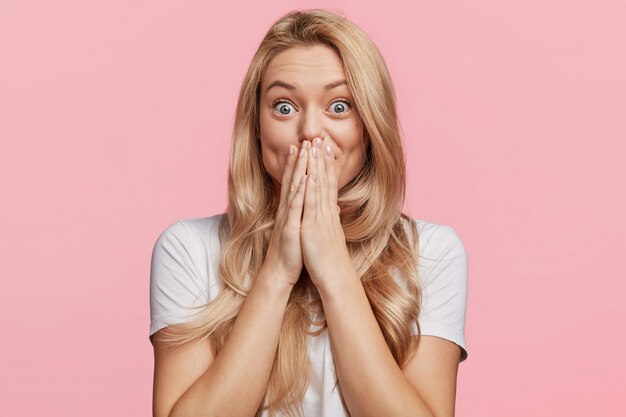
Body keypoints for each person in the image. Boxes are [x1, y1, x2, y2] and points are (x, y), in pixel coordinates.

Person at [149, 8, 468, 417]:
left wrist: (333, 270)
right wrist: (278, 271)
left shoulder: (432, 254)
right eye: (284, 107)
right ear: (257, 127)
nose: (311, 131)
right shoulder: (188, 249)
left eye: (339, 106)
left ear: (370, 126)